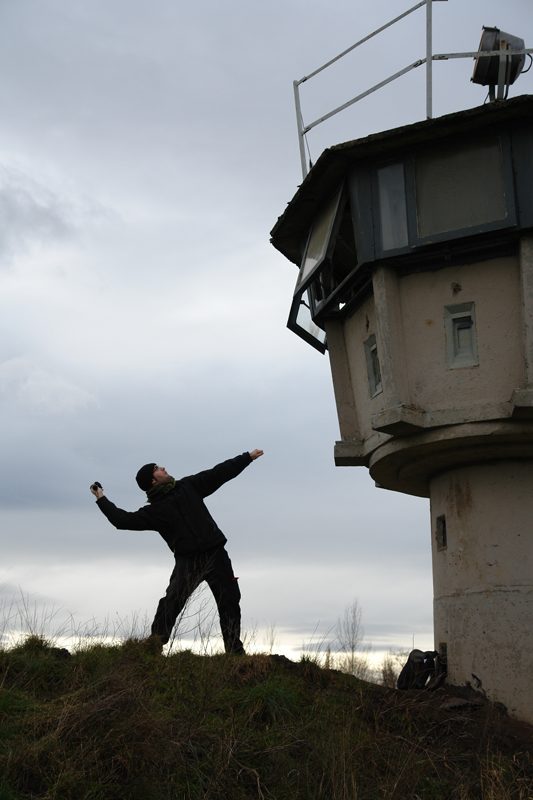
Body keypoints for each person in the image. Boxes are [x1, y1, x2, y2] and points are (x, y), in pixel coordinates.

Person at [90, 449, 264, 654]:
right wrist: (101, 498)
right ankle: (153, 646)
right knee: (171, 602)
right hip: (188, 562)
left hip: (216, 554)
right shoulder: (154, 512)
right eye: (157, 469)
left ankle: (234, 651)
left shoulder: (188, 486)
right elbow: (122, 520)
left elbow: (218, 473)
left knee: (230, 600)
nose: (163, 468)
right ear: (152, 481)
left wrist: (246, 458)